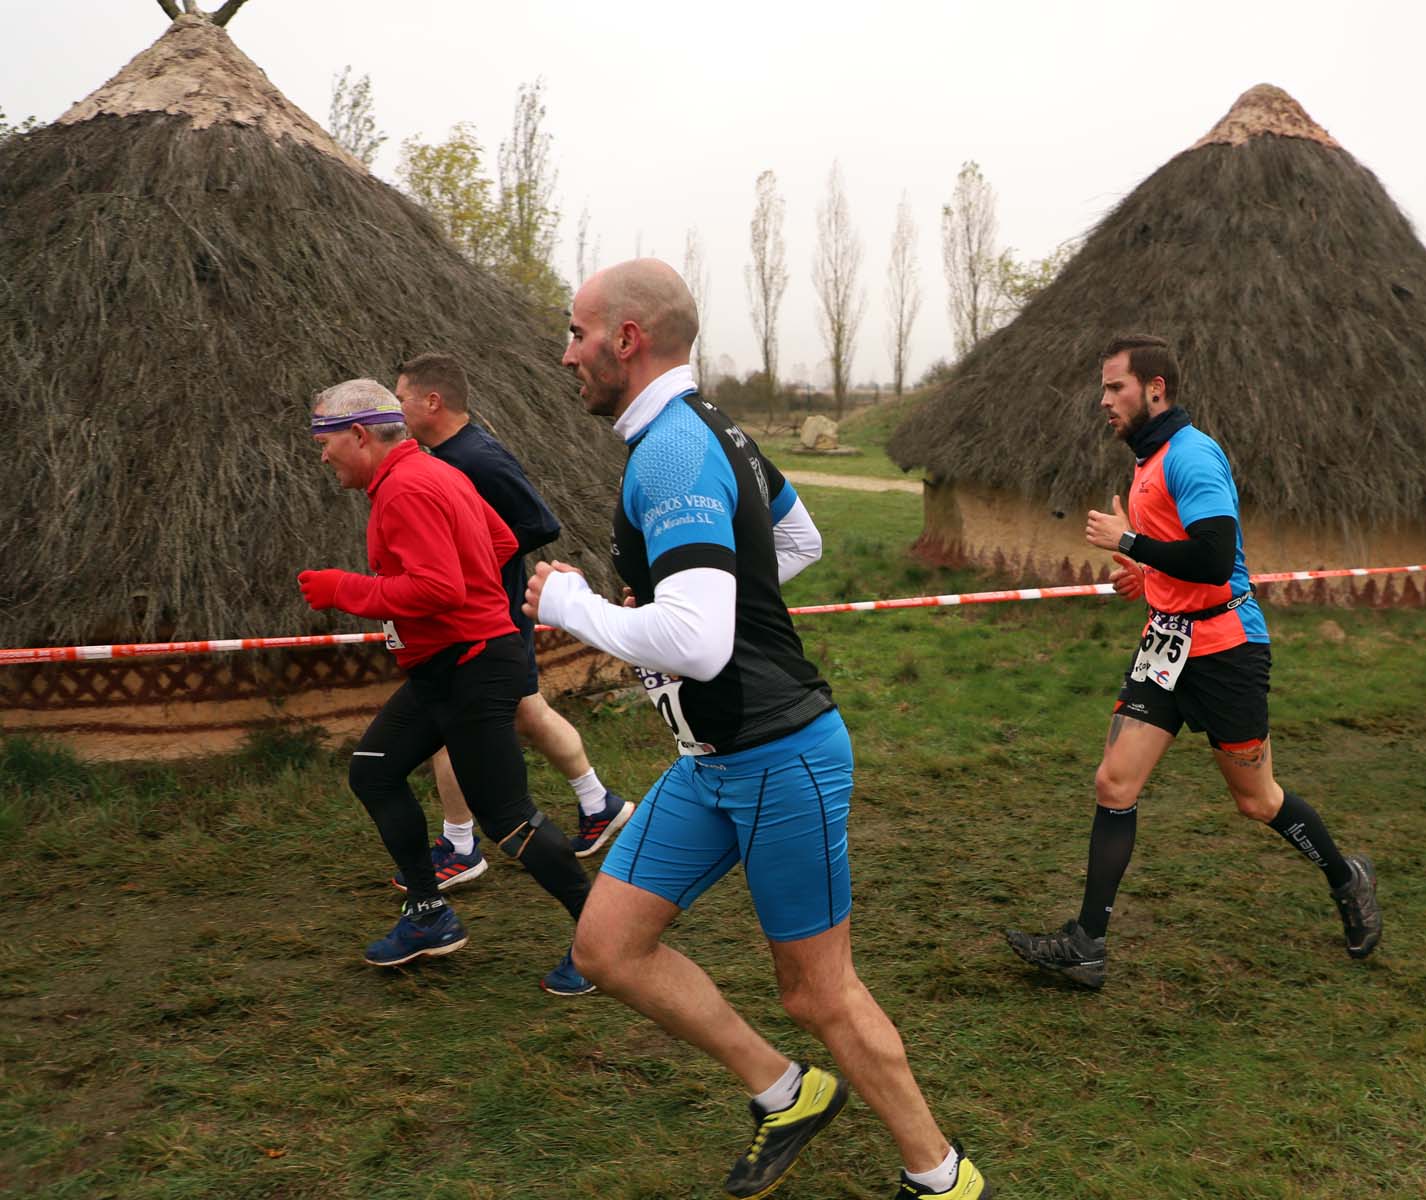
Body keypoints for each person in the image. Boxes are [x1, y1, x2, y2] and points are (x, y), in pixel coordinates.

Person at [525, 259, 986, 1200]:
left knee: (818, 991)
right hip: (709, 764)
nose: (564, 353)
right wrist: (688, 590)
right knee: (606, 947)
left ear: (628, 339)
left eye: (575, 333)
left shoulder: (671, 451)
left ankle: (941, 1178)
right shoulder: (713, 430)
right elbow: (798, 540)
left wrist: (573, 605)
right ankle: (787, 1092)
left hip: (781, 758)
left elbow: (695, 641)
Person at [1003, 333, 1382, 992]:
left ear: (1156, 388)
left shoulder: (1192, 456)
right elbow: (1178, 569)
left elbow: (1212, 561)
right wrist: (1143, 578)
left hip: (1227, 650)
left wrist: (1128, 541)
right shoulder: (1148, 463)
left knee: (1257, 800)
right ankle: (1087, 944)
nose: (1104, 401)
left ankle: (1345, 877)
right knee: (1113, 784)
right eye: (1103, 388)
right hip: (1167, 642)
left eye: (1115, 387)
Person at [299, 379, 597, 996]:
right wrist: (476, 600)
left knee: (507, 819)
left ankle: (604, 942)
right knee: (375, 773)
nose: (321, 455)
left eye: (324, 442)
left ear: (358, 436)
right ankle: (429, 916)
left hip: (473, 665)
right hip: (451, 663)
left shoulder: (407, 488)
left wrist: (342, 590)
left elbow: (437, 590)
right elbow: (502, 542)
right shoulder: (436, 472)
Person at [390, 352, 634, 893]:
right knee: (527, 709)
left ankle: (460, 844)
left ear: (432, 401)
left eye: (402, 397)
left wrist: (470, 558)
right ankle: (600, 803)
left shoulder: (476, 457)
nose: (397, 408)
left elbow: (538, 522)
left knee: (450, 720)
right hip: (486, 614)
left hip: (487, 617)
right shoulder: (448, 455)